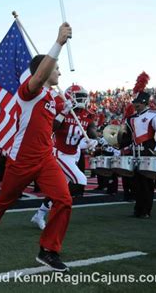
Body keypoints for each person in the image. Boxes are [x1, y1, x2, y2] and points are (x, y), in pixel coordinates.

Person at [0, 23, 73, 271]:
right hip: (22, 160)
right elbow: (39, 77)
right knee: (4, 201)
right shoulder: (29, 91)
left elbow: (46, 128)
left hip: (45, 158)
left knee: (64, 200)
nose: (59, 73)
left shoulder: (51, 98)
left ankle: (48, 250)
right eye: (56, 69)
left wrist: (66, 114)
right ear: (43, 69)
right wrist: (58, 43)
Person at [31, 84, 97, 230]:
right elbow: (51, 129)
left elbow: (91, 133)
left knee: (63, 188)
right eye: (79, 96)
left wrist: (93, 141)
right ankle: (58, 206)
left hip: (73, 154)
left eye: (84, 96)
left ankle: (40, 214)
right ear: (70, 97)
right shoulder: (62, 109)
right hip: (59, 153)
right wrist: (63, 113)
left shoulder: (87, 114)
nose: (83, 99)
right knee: (81, 180)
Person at [119, 91, 156, 218]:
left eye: (138, 103)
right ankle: (138, 209)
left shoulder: (153, 116)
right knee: (136, 182)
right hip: (135, 152)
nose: (136, 105)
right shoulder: (131, 119)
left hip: (148, 150)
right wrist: (121, 145)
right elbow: (129, 137)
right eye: (135, 103)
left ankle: (146, 210)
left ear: (145, 103)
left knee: (147, 182)